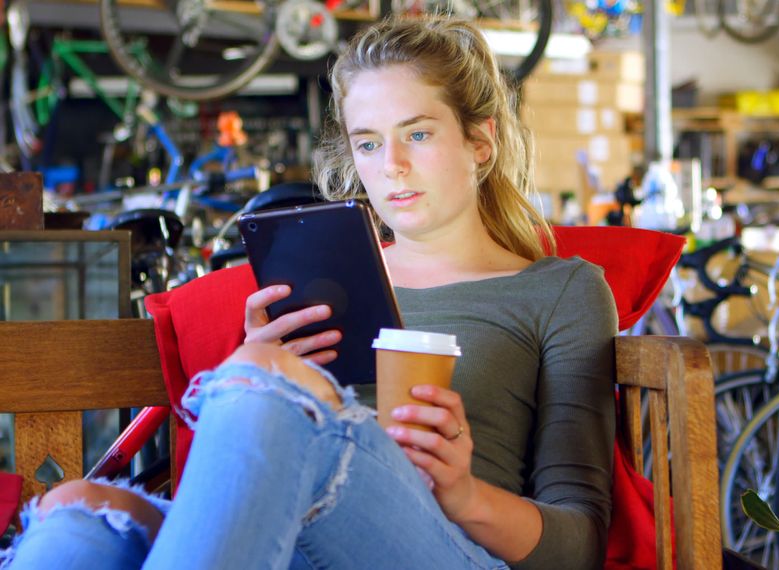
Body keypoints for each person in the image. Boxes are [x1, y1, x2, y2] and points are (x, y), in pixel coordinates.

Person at [0, 15, 617, 570]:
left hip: (447, 549)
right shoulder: (323, 284)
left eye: (419, 134)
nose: (391, 164)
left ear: (479, 143)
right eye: (369, 142)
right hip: (287, 546)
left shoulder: (559, 292)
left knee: (267, 378)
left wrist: (463, 492)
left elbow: (579, 542)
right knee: (76, 513)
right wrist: (257, 369)